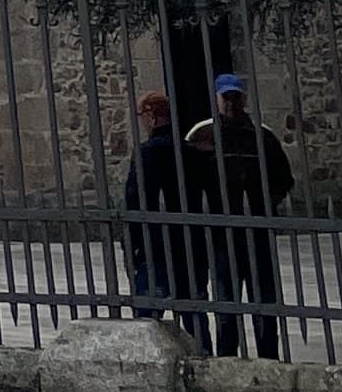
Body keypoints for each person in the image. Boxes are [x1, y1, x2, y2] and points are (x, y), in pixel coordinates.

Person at [187, 73, 297, 362]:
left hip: (257, 232)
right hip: (223, 236)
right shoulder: (203, 135)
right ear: (218, 98)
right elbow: (190, 180)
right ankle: (226, 359)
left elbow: (283, 178)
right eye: (227, 97)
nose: (231, 103)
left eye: (236, 97)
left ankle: (268, 359)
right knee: (227, 304)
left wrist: (264, 207)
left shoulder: (262, 136)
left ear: (243, 98)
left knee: (264, 303)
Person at [119, 90, 205, 344]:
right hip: (190, 243)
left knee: (146, 320)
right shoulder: (192, 153)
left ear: (152, 118)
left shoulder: (146, 154)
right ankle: (204, 360)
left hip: (154, 244)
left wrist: (130, 244)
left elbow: (134, 199)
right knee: (194, 315)